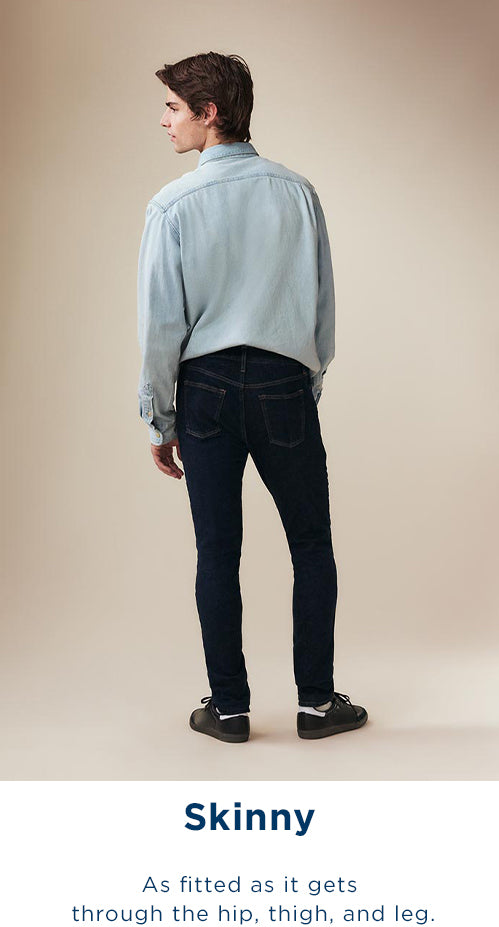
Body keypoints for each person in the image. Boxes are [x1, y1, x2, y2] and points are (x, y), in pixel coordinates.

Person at [137, 51, 367, 743]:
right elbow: (321, 304)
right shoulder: (296, 191)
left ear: (209, 113)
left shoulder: (172, 204)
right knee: (311, 544)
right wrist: (304, 382)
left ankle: (229, 709)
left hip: (204, 389)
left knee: (217, 551)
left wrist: (160, 417)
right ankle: (317, 705)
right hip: (282, 382)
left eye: (174, 107)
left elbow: (161, 325)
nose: (164, 120)